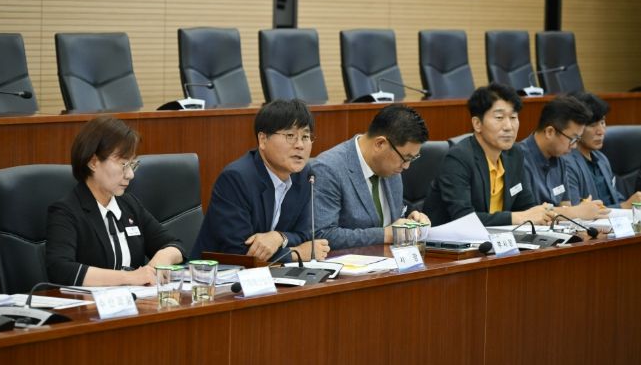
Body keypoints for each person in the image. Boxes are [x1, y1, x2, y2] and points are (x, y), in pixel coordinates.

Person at [46, 116, 185, 286]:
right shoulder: (66, 211)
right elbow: (60, 269)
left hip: (134, 300)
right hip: (88, 302)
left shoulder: (128, 204)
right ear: (93, 162)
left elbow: (175, 245)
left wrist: (157, 264)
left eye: (132, 165)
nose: (130, 175)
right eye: (123, 164)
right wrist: (130, 277)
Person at [191, 99, 329, 263]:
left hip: (271, 273)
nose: (300, 145)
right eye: (290, 136)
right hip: (216, 273)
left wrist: (279, 237)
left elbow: (306, 234)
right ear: (263, 140)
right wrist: (296, 253)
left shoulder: (304, 175)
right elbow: (240, 252)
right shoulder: (236, 179)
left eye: (305, 136)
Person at [423, 83, 551, 226]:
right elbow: (463, 218)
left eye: (513, 117)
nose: (509, 127)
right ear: (477, 124)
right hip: (449, 238)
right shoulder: (458, 158)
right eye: (499, 117)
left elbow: (526, 206)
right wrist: (517, 217)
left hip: (497, 236)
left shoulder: (515, 154)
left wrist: (542, 214)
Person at [311, 104, 430, 250]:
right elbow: (323, 235)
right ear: (380, 144)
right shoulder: (329, 169)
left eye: (412, 158)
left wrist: (410, 220)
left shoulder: (391, 167)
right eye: (405, 158)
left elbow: (392, 220)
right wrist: (385, 235)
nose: (406, 166)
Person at [518, 96, 610, 220]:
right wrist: (576, 212)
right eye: (572, 139)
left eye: (578, 139)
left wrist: (581, 209)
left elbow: (565, 206)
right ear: (550, 132)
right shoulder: (518, 159)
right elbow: (531, 214)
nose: (574, 146)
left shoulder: (560, 158)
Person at [564, 92, 641, 208]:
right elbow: (577, 211)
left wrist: (632, 203)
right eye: (593, 125)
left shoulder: (601, 158)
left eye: (602, 122)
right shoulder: (566, 164)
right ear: (576, 128)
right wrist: (624, 206)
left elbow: (616, 198)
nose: (601, 131)